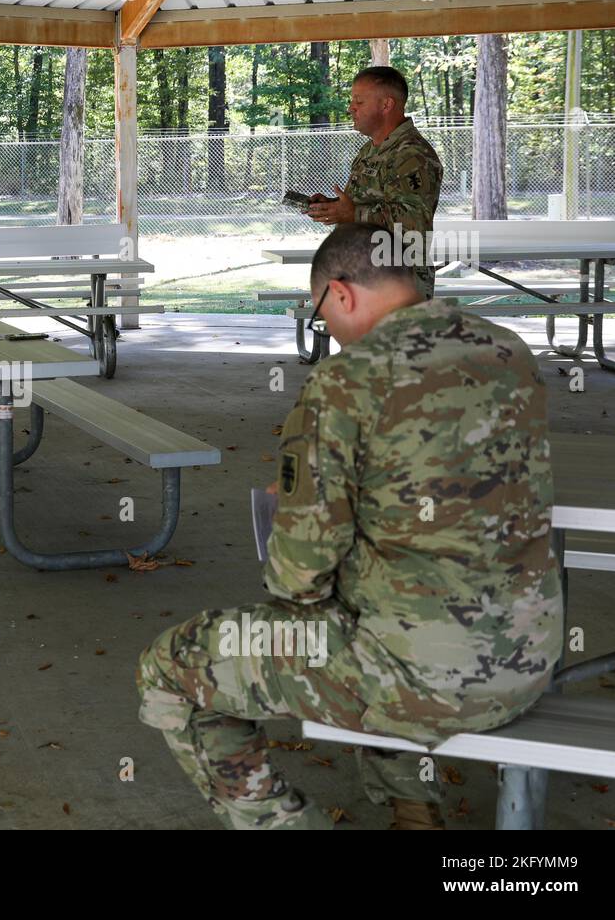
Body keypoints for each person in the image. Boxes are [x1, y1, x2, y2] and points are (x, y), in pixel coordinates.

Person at [136, 222, 561, 829]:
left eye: (319, 314)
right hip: (528, 661)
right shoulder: (507, 350)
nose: (327, 330)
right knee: (379, 612)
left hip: (421, 679)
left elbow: (297, 576)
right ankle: (414, 811)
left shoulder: (346, 379)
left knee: (171, 667)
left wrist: (297, 529)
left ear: (340, 294)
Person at [305, 66, 443, 299]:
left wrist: (353, 214)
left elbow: (413, 225)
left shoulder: (412, 155)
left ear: (386, 105)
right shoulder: (371, 148)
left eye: (359, 102)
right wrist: (334, 207)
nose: (351, 108)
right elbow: (366, 203)